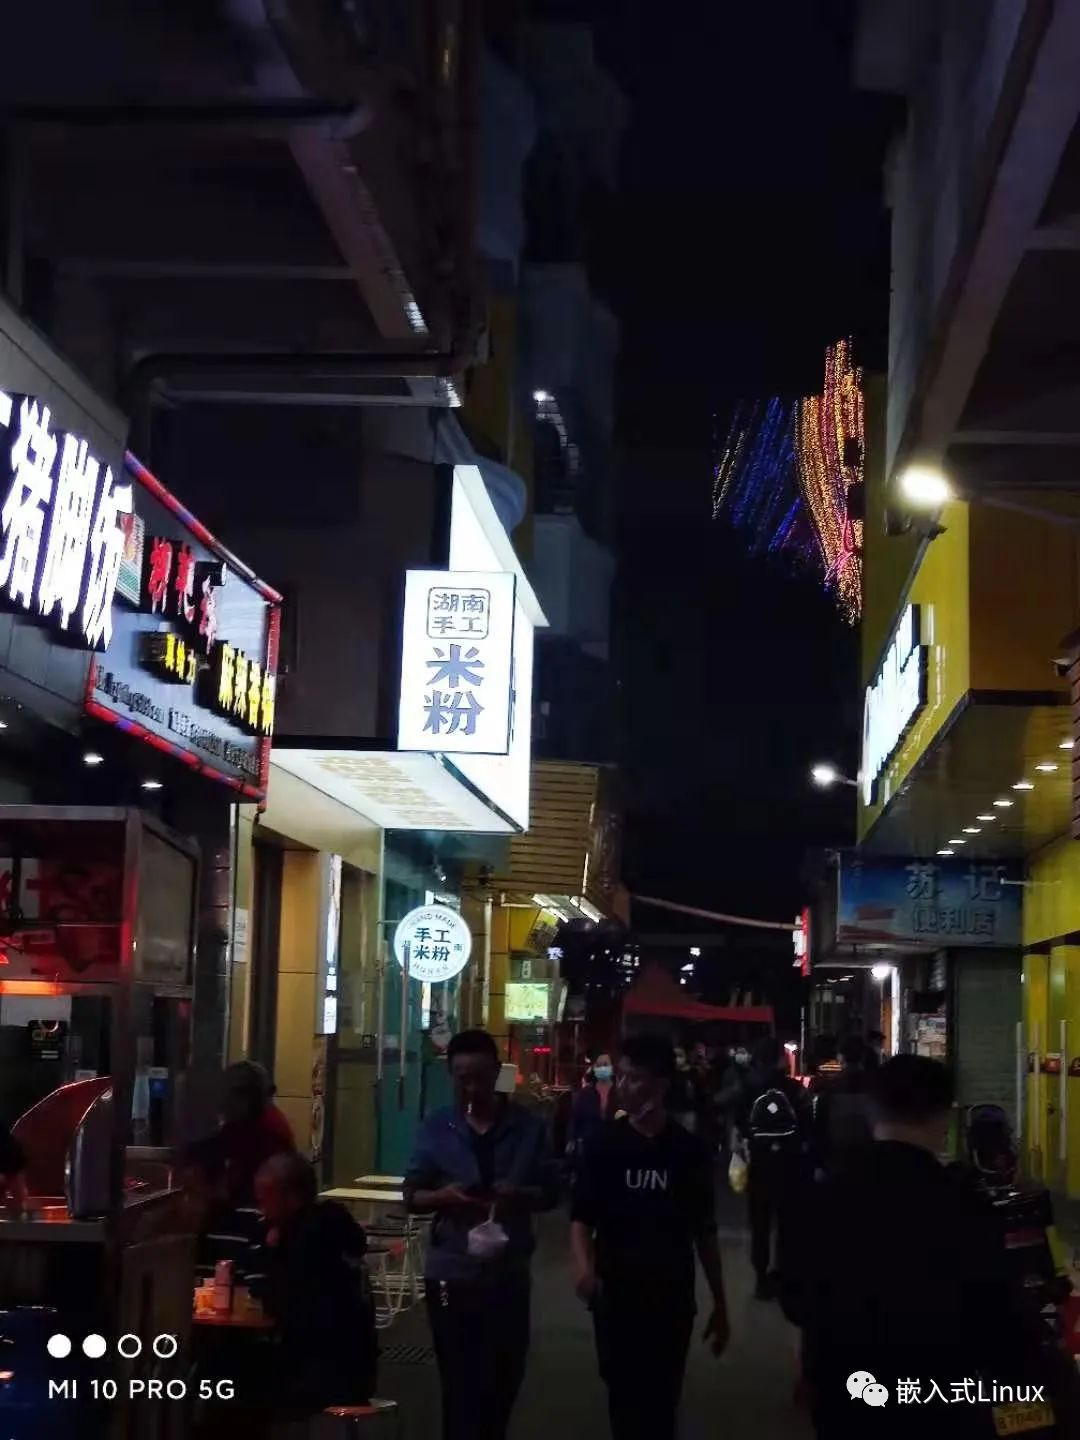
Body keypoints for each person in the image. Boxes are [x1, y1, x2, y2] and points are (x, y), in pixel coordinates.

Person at [790, 1057, 1070, 1439]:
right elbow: (995, 1312)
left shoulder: (822, 1199)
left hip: (845, 1395)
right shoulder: (964, 1205)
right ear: (946, 1116)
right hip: (938, 1402)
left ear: (873, 1112)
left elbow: (797, 1298)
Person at [570, 1034, 730, 1440]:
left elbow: (704, 1230)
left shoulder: (687, 1151)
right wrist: (584, 1269)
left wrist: (720, 1303)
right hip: (615, 1293)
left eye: (635, 1078)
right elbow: (582, 1217)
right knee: (621, 1394)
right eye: (621, 1076)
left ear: (660, 1086)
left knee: (662, 1398)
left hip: (670, 1294)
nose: (623, 1086)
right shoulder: (604, 1145)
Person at [404, 1028, 556, 1440]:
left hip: (508, 1270)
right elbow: (412, 1194)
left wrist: (517, 1195)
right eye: (462, 1079)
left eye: (481, 1078)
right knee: (458, 1380)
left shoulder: (527, 1127)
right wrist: (444, 1196)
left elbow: (553, 1191)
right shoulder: (437, 1127)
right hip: (450, 1273)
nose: (472, 1088)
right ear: (451, 1076)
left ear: (496, 1074)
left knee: (504, 1378)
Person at [253, 1152, 377, 1413]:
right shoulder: (335, 1224)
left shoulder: (302, 1239)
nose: (261, 1207)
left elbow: (279, 1304)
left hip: (319, 1372)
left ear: (291, 1197)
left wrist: (272, 1250)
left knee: (230, 1382)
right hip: (359, 1369)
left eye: (265, 1198)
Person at [734, 1035, 812, 1299]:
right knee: (788, 1224)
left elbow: (739, 1124)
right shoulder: (793, 1088)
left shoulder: (747, 1088)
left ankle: (760, 1277)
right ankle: (784, 1273)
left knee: (760, 1224)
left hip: (759, 1162)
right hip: (791, 1163)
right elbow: (807, 1123)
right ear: (780, 1059)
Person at [217, 1061, 296, 1205]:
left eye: (227, 1095)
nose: (222, 1103)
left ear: (248, 1097)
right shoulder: (244, 1123)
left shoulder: (267, 1132)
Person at [812, 1035, 874, 1177]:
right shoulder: (877, 1087)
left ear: (840, 1057)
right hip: (869, 1158)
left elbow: (819, 1129)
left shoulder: (829, 1088)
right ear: (863, 1056)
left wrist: (818, 1164)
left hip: (836, 1159)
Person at [567, 1054, 618, 1166]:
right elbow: (575, 1118)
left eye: (606, 1066)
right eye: (600, 1067)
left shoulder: (617, 1093)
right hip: (588, 1144)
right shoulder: (586, 1093)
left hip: (611, 1146)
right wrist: (571, 1140)